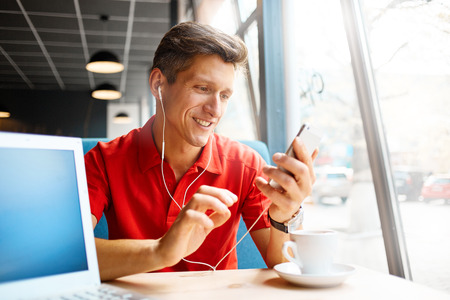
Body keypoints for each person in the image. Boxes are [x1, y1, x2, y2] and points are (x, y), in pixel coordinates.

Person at [85, 21, 318, 281]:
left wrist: (285, 216)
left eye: (225, 95)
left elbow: (281, 269)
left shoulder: (247, 165)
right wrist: (160, 251)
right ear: (158, 84)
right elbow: (63, 258)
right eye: (203, 88)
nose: (216, 110)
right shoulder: (103, 160)